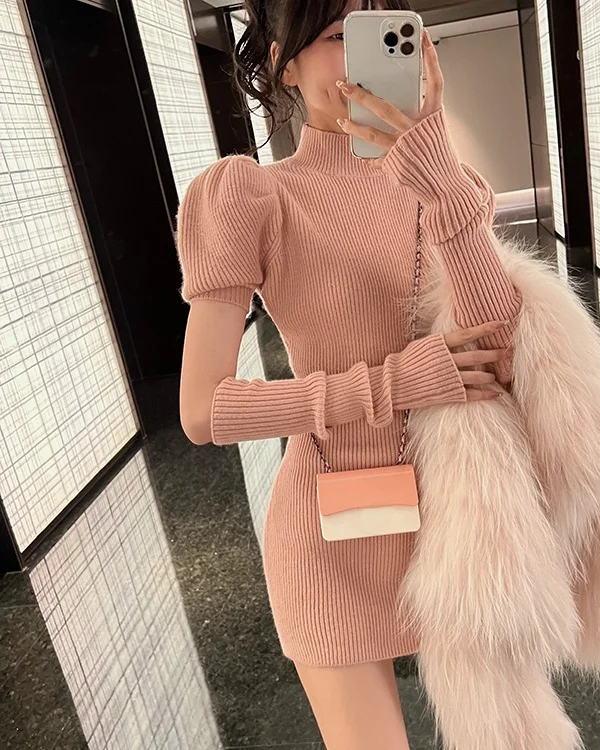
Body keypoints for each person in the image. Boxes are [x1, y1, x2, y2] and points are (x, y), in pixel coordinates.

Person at [175, 1, 523, 747]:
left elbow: (501, 349)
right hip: (328, 536)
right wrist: (396, 384)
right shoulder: (255, 196)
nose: (365, 59)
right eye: (339, 37)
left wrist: (437, 178)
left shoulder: (447, 187)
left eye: (385, 33)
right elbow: (203, 410)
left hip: (461, 521)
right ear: (282, 64)